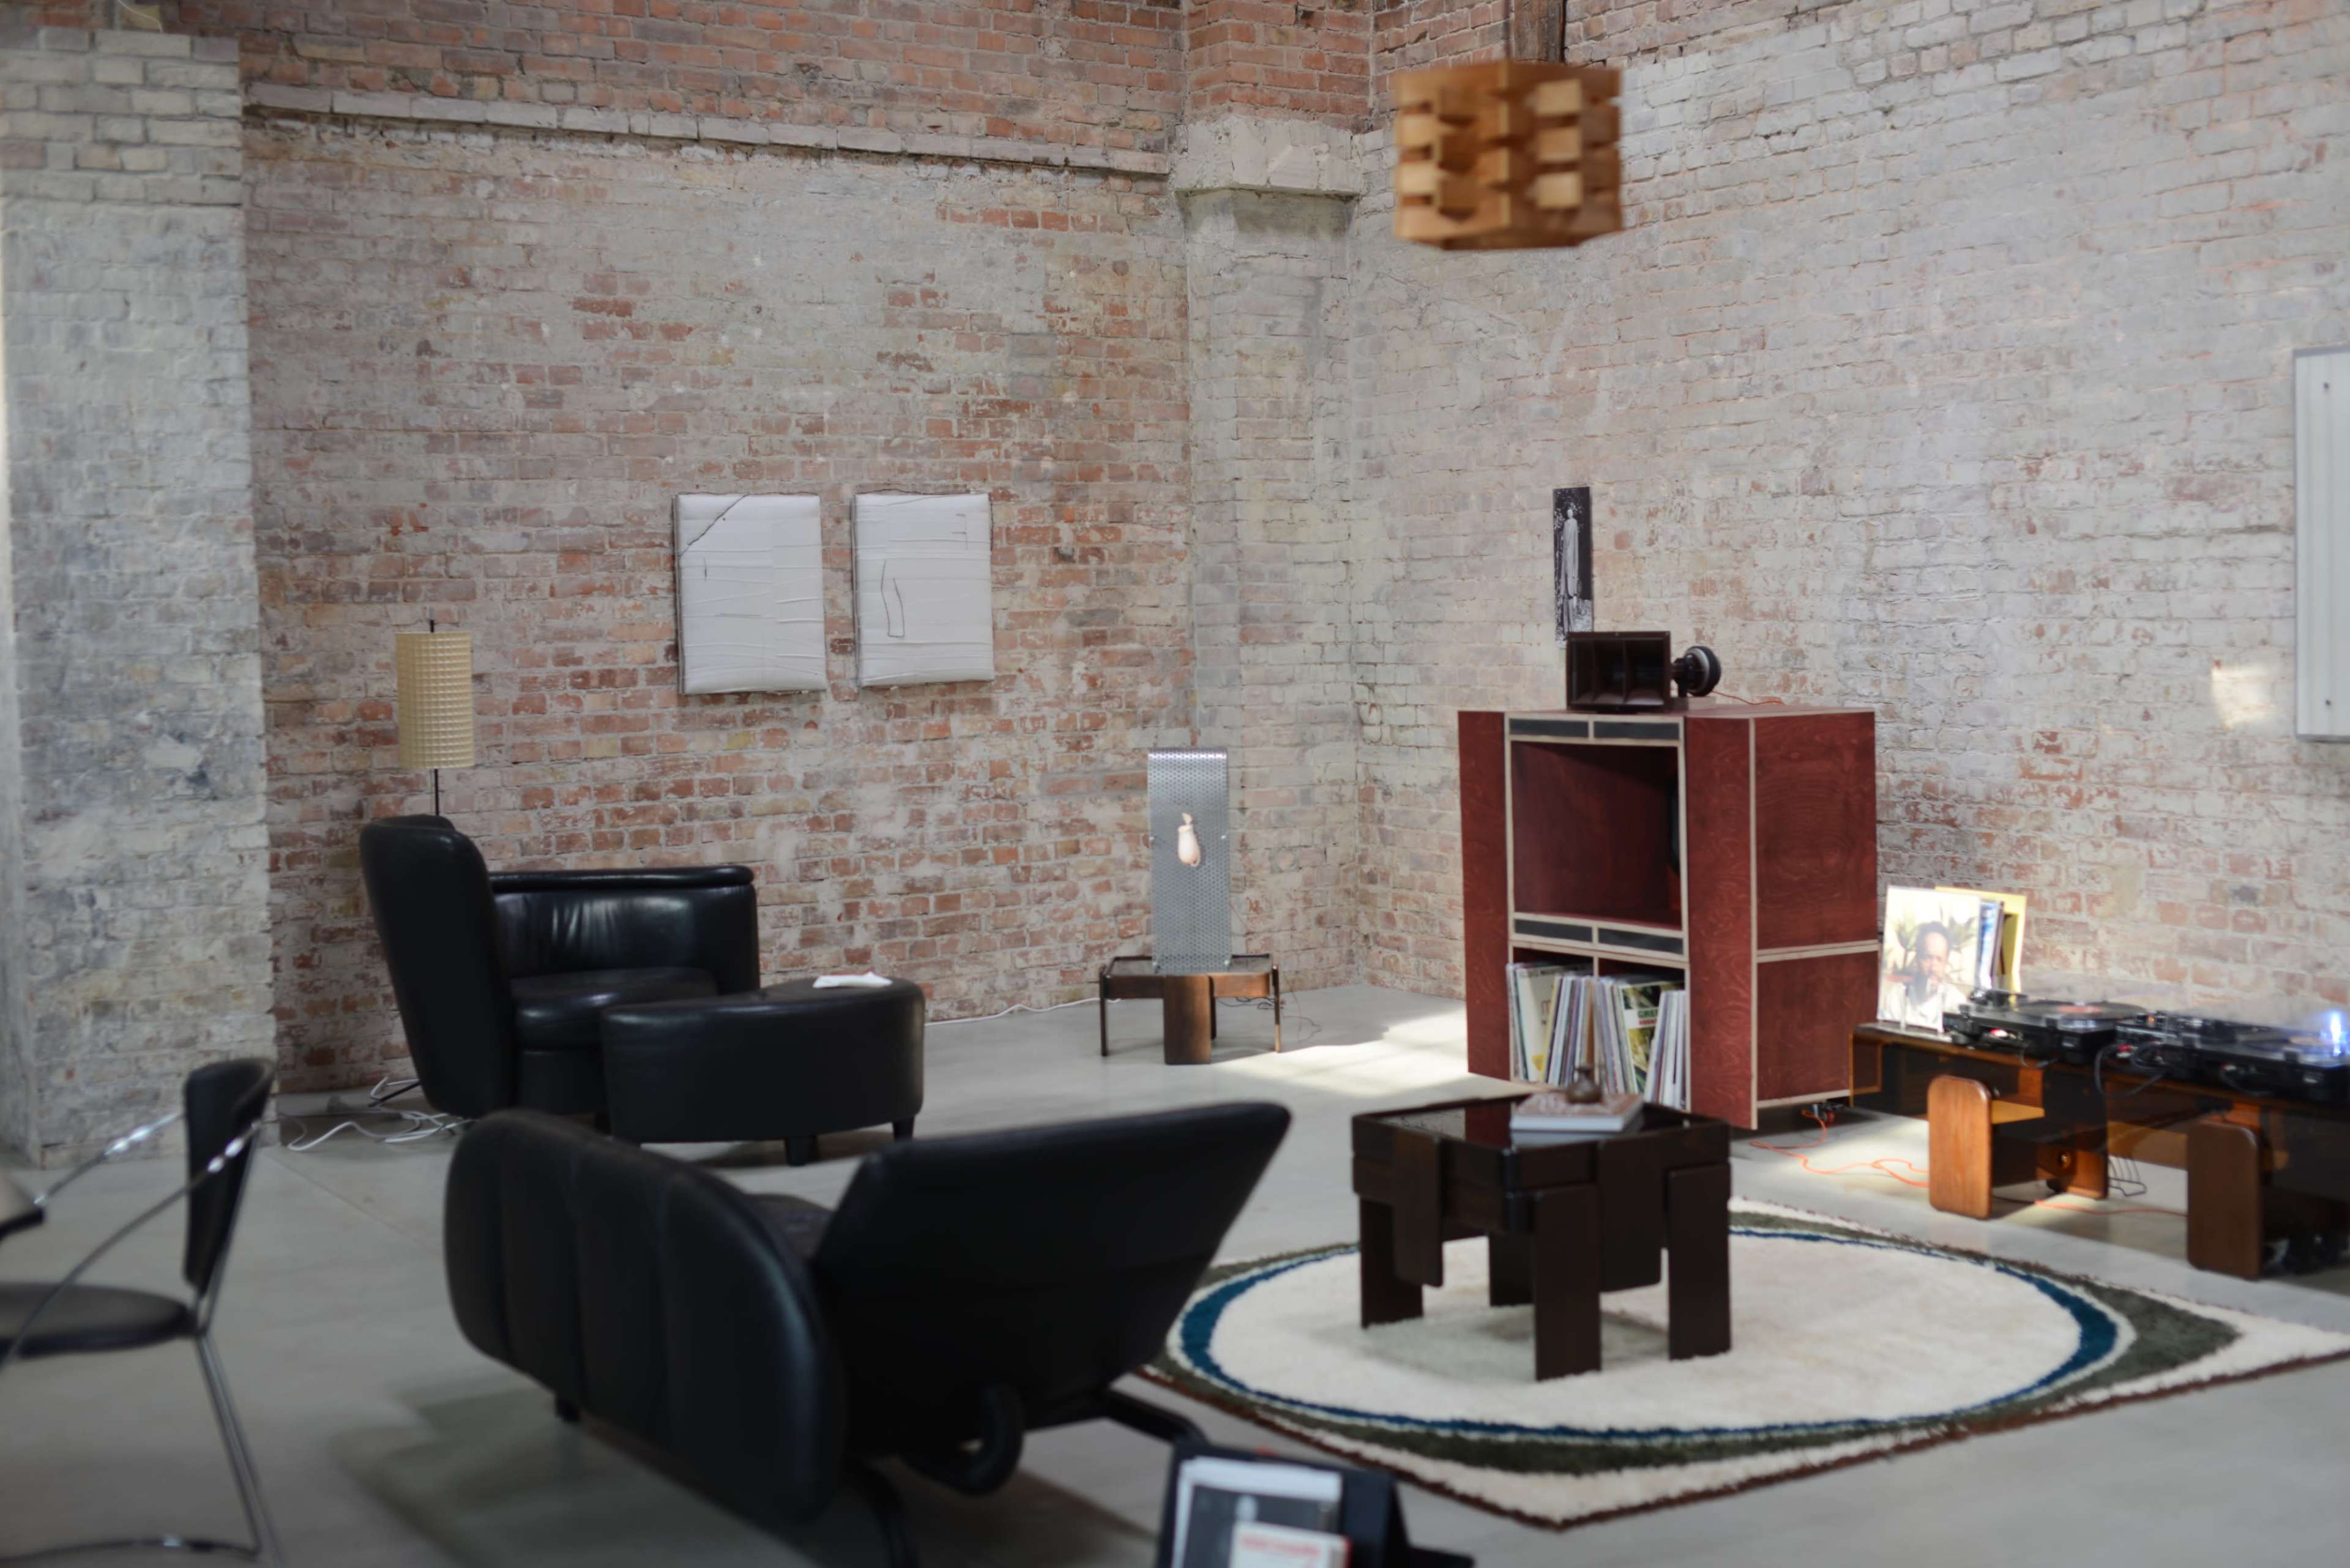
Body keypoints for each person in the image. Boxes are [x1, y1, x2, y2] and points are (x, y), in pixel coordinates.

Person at [1879, 922, 1970, 1029]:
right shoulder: (1898, 996)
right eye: (1927, 958)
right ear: (1918, 958)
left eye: (1939, 959)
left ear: (1946, 962)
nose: (1933, 968)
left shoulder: (1956, 1001)